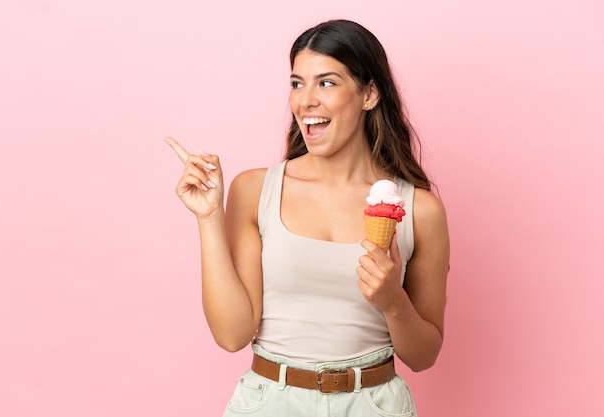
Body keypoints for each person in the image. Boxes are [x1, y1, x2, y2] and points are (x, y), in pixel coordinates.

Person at [165, 19, 449, 417]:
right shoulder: (254, 190)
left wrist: (394, 303)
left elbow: (423, 356)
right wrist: (209, 217)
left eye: (326, 83)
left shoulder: (420, 210)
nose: (305, 101)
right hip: (270, 402)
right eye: (297, 83)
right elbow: (232, 335)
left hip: (374, 405)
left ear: (369, 94)